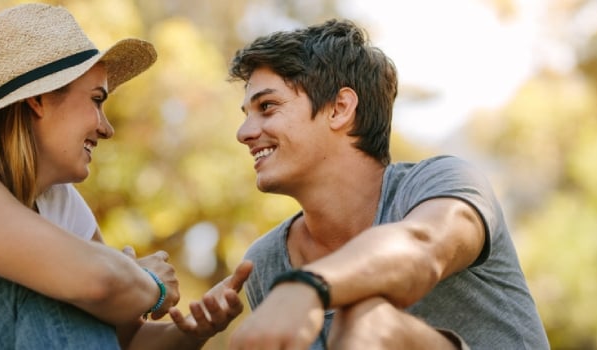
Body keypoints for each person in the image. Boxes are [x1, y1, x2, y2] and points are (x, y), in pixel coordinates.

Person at [0, 3, 251, 350]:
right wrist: (146, 281)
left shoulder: (60, 201)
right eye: (97, 100)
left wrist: (195, 329)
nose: (107, 128)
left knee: (69, 284)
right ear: (38, 100)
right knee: (49, 286)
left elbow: (125, 336)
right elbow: (99, 283)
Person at [226, 18, 550, 349]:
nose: (244, 133)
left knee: (369, 324)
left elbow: (421, 249)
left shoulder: (443, 184)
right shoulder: (266, 261)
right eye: (246, 114)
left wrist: (309, 285)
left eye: (267, 107)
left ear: (339, 109)